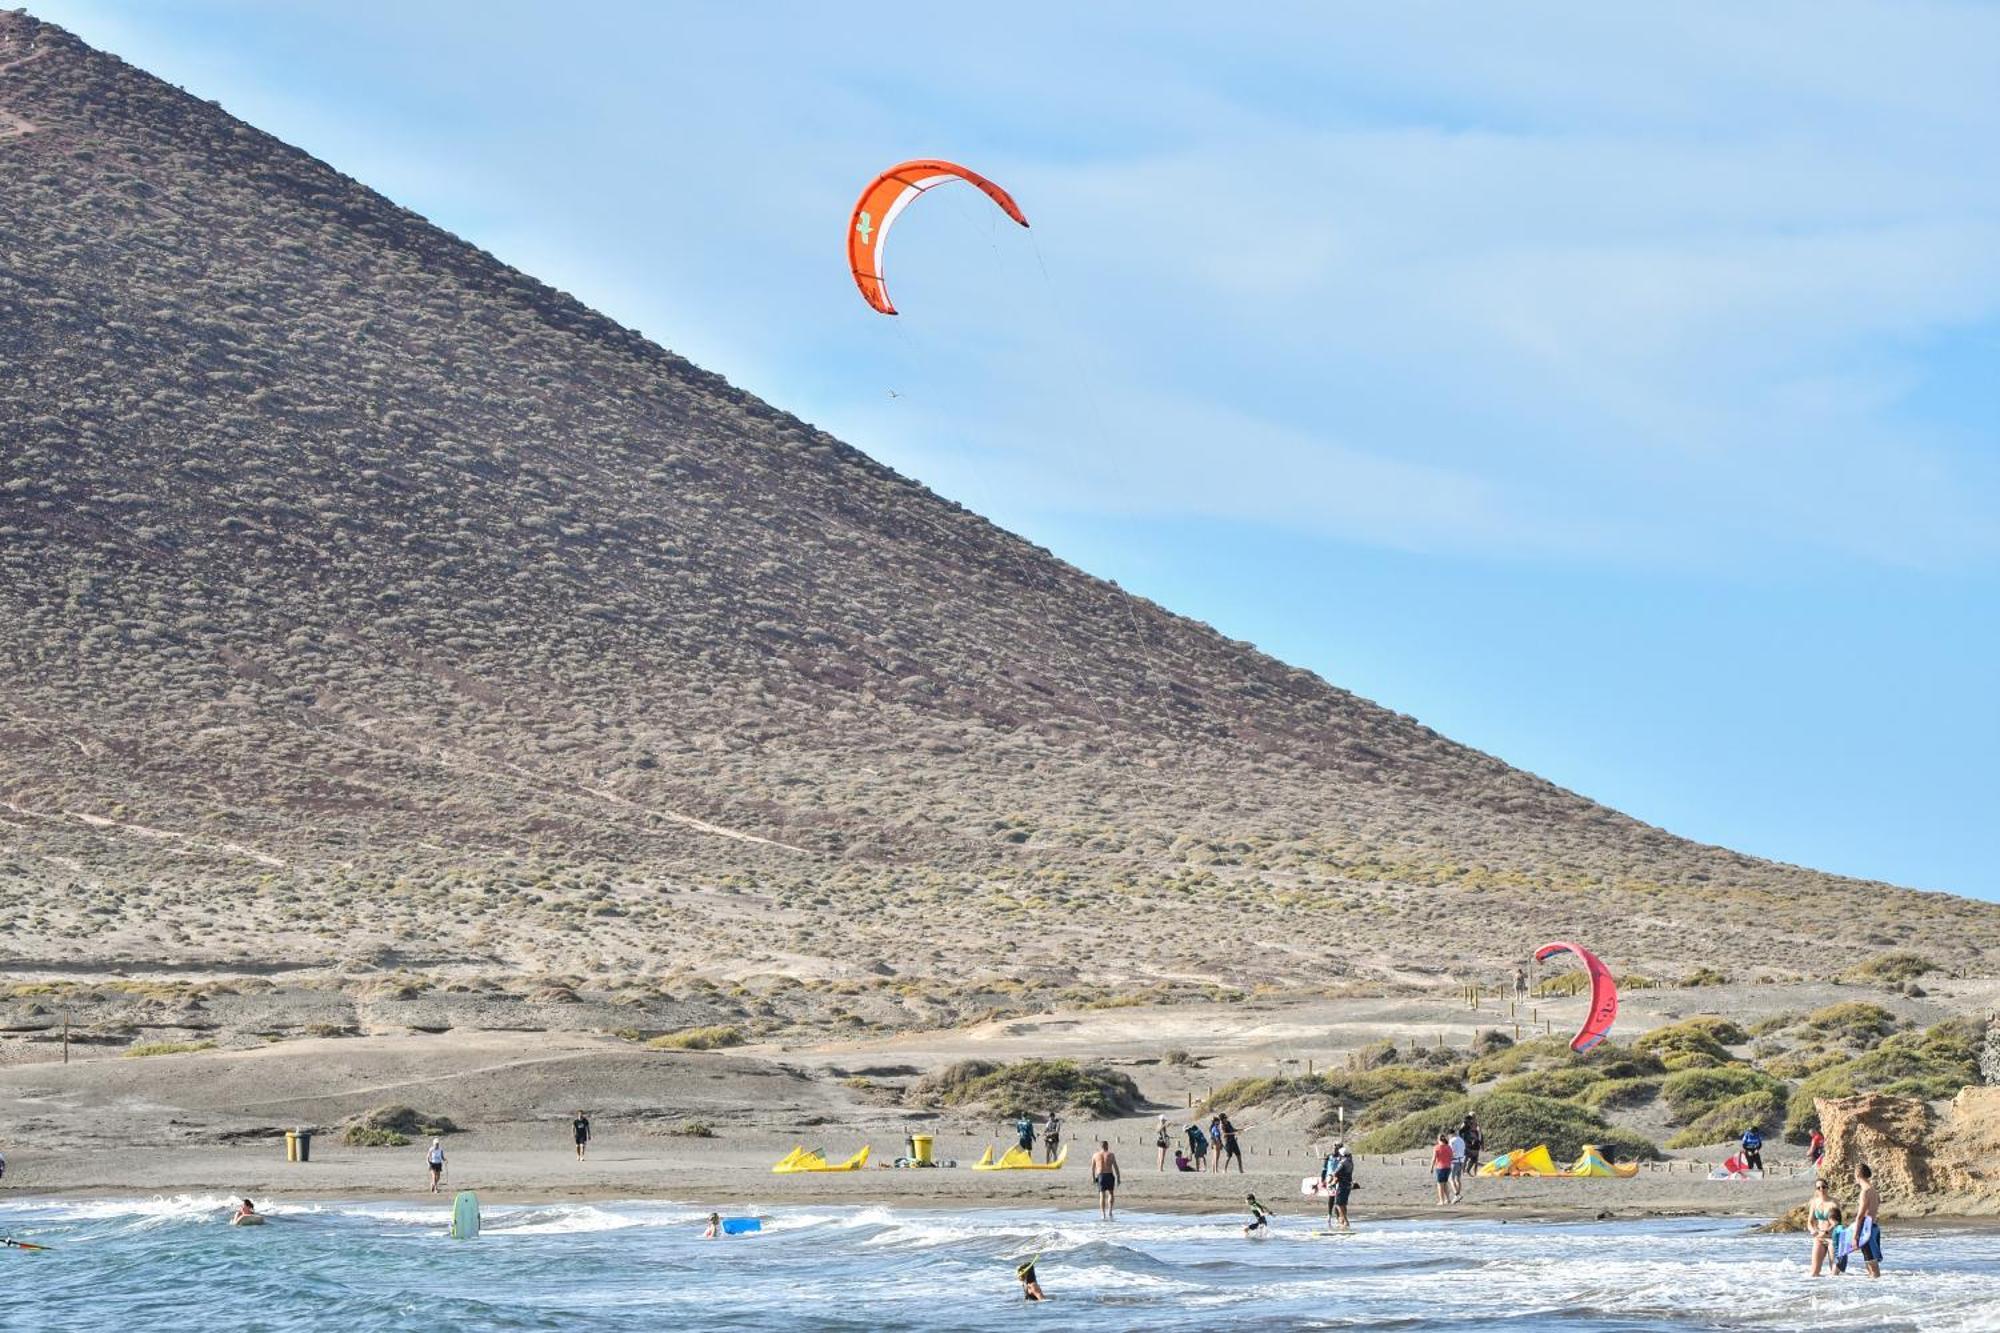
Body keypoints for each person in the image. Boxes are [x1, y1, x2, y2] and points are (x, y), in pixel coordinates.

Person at [1852, 1162, 1882, 1278]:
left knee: (1872, 1265)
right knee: (1870, 1262)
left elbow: (1860, 1215)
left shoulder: (1865, 1192)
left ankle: (1877, 1291)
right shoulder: (1874, 1190)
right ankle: (1872, 1290)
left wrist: (1855, 1236)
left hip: (1866, 1228)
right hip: (1874, 1227)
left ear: (1858, 1174)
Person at [1806, 1179, 1836, 1276]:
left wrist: (1827, 1231)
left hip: (1832, 1238)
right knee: (1814, 1272)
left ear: (1827, 1188)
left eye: (1823, 1187)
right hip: (1819, 1238)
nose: (1821, 1189)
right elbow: (1810, 1221)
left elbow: (1837, 1222)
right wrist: (1812, 1230)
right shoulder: (1814, 1203)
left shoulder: (1833, 1203)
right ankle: (1818, 1290)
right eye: (1818, 1188)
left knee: (1834, 1273)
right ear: (1816, 1190)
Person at [1325, 1144, 1354, 1231]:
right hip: (1348, 1184)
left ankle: (1344, 1221)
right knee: (1343, 1204)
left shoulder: (1342, 1163)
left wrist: (1330, 1180)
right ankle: (1344, 1220)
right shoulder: (1350, 1162)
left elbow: (1335, 1174)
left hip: (1342, 1185)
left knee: (1338, 1204)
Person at [1091, 1140, 1120, 1220]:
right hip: (1109, 1175)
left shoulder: (1095, 1155)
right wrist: (1118, 1177)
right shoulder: (1111, 1155)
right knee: (1111, 1193)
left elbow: (1093, 1168)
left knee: (1102, 1195)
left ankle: (1103, 1214)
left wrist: (1093, 1178)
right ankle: (1110, 1212)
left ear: (1100, 1146)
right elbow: (1115, 1166)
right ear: (1107, 1146)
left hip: (1101, 1176)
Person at [1431, 1132, 1454, 1205]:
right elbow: (1452, 1157)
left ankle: (1441, 1201)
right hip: (1448, 1167)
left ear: (1438, 1139)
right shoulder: (1448, 1147)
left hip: (1440, 1167)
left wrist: (1431, 1167)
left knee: (1440, 1185)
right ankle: (1448, 1199)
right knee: (1445, 1183)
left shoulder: (1437, 1147)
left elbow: (1434, 1159)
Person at [1448, 1126, 1468, 1203]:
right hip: (1461, 1161)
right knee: (1458, 1179)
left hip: (1454, 1161)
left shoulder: (1451, 1141)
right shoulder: (1461, 1140)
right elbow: (1464, 1150)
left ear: (1450, 1134)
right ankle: (1458, 1195)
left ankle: (1456, 1195)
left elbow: (1451, 1151)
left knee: (1451, 1179)